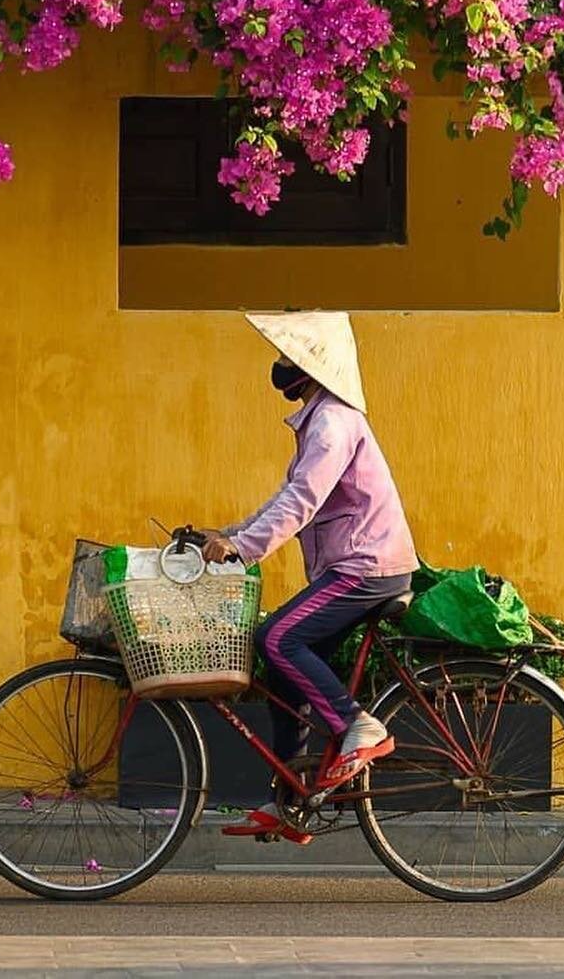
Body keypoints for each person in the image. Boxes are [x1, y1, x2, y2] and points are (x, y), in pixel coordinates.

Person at [198, 311, 416, 842]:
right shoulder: (322, 420)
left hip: (366, 565)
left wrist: (242, 550)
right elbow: (284, 498)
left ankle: (357, 726)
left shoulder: (332, 424)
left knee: (276, 638)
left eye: (287, 359)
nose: (279, 368)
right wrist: (224, 534)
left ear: (312, 367)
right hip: (355, 564)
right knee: (280, 667)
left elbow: (301, 501)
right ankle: (291, 796)